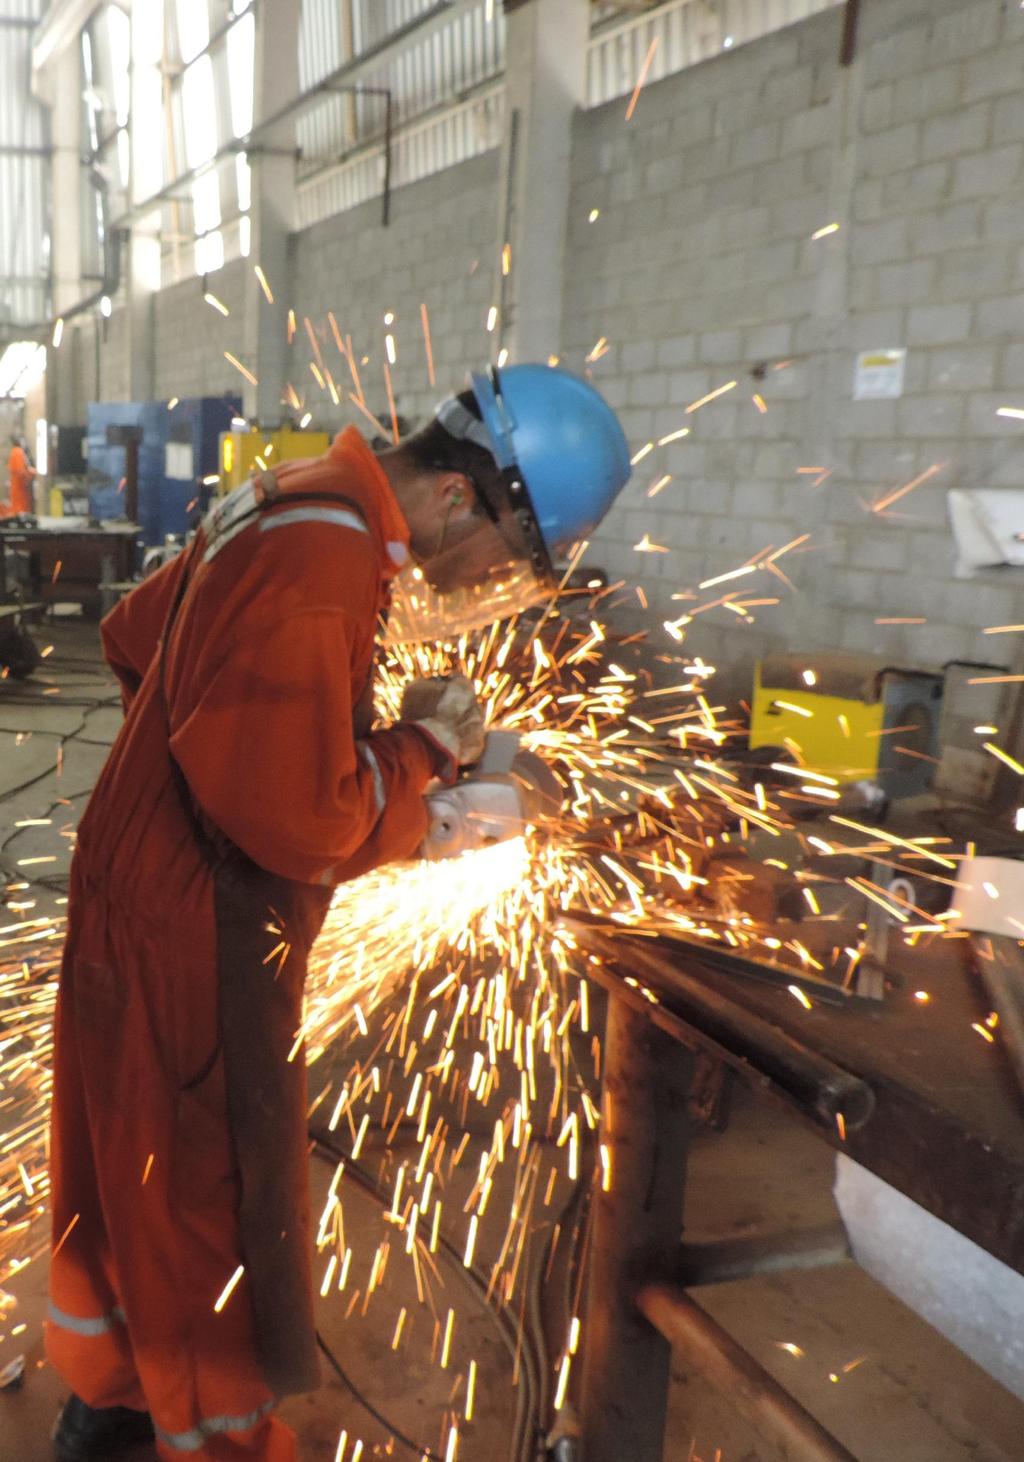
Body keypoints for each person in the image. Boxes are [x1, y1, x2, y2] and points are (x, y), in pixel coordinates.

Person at [46, 363, 631, 1461]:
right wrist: (425, 765)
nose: (484, 583)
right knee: (202, 1199)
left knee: (123, 1169)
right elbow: (299, 824)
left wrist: (201, 782)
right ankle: (208, 1436)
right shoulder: (327, 558)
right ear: (463, 497)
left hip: (134, 891)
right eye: (504, 558)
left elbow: (137, 640)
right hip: (196, 939)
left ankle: (110, 1398)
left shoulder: (297, 490)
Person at [5, 434, 36, 517]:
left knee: (16, 499)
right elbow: (20, 470)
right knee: (20, 500)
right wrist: (30, 473)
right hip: (19, 482)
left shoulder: (14, 451)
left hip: (17, 481)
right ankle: (20, 514)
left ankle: (19, 513)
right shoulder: (18, 451)